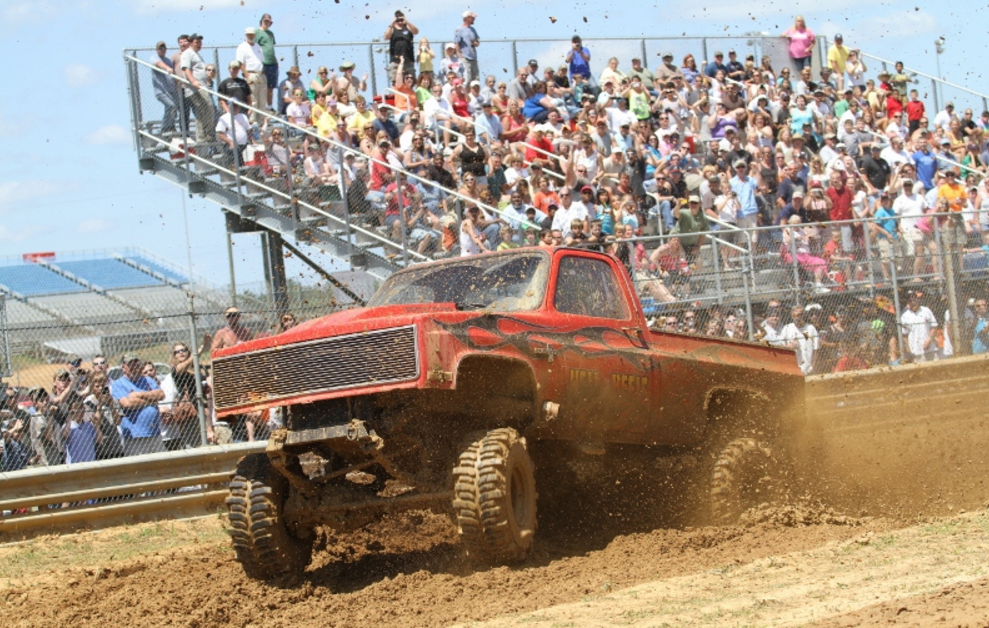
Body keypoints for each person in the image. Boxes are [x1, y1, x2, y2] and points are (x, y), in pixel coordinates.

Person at [111, 354, 166, 456]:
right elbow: (127, 403)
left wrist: (139, 394)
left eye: (137, 364)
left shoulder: (147, 380)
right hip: (135, 436)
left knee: (161, 465)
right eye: (131, 365)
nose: (135, 367)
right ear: (124, 367)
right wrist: (152, 399)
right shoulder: (118, 384)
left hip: (154, 433)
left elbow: (161, 395)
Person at [180, 34, 215, 143]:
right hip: (196, 89)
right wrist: (193, 81)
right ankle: (205, 136)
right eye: (196, 42)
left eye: (200, 42)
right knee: (207, 109)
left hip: (202, 86)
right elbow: (186, 69)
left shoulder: (197, 54)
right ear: (191, 43)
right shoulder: (187, 53)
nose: (199, 45)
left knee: (204, 112)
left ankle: (204, 136)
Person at [235, 27, 266, 122]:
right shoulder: (242, 47)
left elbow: (262, 60)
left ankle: (261, 122)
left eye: (252, 34)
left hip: (260, 74)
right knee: (253, 100)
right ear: (245, 35)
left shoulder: (257, 46)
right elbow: (240, 63)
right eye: (249, 34)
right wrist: (247, 75)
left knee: (262, 100)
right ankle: (252, 122)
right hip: (250, 73)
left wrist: (263, 72)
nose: (250, 36)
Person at [780, 305, 819, 374]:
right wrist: (788, 347)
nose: (798, 317)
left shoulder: (811, 328)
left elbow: (816, 350)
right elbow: (779, 347)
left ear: (804, 315)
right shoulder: (787, 328)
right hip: (792, 369)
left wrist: (813, 367)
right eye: (795, 315)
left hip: (808, 369)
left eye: (800, 314)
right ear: (792, 316)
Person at [900, 292, 938, 362]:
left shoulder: (926, 310)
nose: (914, 300)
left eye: (915, 298)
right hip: (916, 351)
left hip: (930, 349)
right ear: (908, 302)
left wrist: (929, 339)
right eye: (910, 299)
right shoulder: (904, 316)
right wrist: (909, 350)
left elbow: (934, 327)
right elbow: (904, 335)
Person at [150, 41, 178, 134]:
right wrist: (167, 68)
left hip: (170, 90)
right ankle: (165, 128)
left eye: (164, 48)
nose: (162, 50)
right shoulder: (154, 58)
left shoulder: (168, 60)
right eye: (160, 49)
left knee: (174, 108)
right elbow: (158, 63)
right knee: (171, 106)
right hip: (160, 90)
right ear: (156, 50)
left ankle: (171, 127)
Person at [255, 14, 277, 111]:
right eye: (265, 21)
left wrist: (276, 60)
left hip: (272, 63)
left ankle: (270, 107)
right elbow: (254, 47)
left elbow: (271, 47)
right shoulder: (257, 32)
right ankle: (262, 108)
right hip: (263, 63)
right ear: (262, 21)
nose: (267, 23)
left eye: (269, 22)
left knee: (271, 87)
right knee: (263, 86)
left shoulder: (271, 33)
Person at [454, 10, 480, 84]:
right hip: (465, 58)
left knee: (476, 80)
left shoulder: (473, 29)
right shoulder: (459, 30)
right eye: (472, 18)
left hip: (473, 58)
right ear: (467, 18)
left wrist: (476, 43)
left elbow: (477, 42)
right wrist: (461, 58)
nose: (474, 19)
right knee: (467, 79)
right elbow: (457, 44)